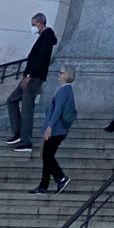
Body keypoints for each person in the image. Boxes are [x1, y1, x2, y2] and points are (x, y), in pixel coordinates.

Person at [5, 13, 57, 152]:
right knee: (11, 100)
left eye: (34, 24)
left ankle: (25, 141)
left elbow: (42, 59)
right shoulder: (44, 37)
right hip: (33, 77)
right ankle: (18, 132)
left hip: (33, 77)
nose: (32, 27)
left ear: (40, 23)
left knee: (27, 110)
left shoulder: (46, 36)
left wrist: (30, 76)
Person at [33, 66, 77, 194]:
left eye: (61, 73)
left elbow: (58, 110)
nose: (59, 74)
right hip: (58, 129)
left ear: (67, 75)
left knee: (47, 156)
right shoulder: (66, 90)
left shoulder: (64, 91)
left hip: (56, 129)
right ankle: (43, 185)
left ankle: (60, 178)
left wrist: (50, 126)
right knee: (47, 156)